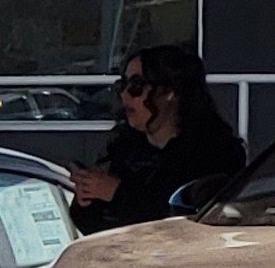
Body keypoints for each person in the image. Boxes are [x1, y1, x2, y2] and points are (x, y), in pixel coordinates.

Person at [69, 42, 246, 231]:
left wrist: (116, 193)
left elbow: (179, 219)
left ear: (169, 92)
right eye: (123, 84)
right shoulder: (123, 148)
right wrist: (86, 198)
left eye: (136, 86)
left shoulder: (214, 153)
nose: (125, 95)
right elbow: (91, 225)